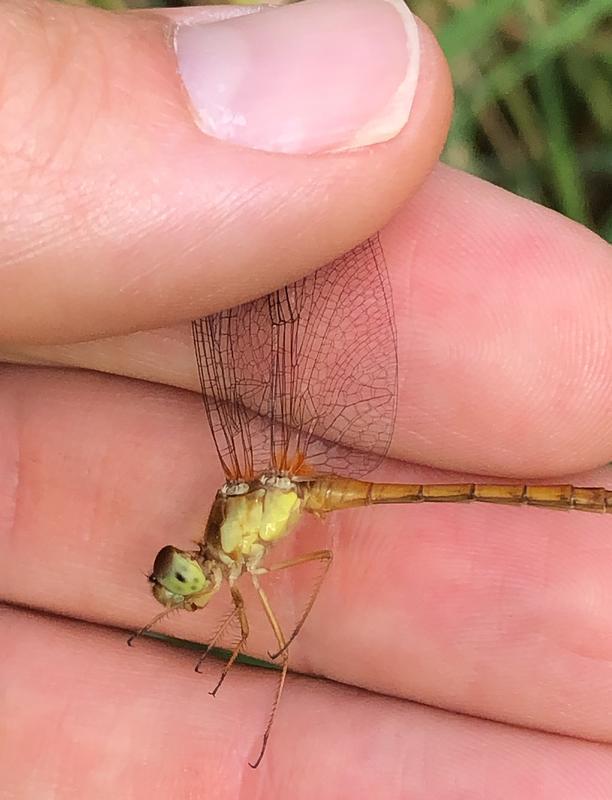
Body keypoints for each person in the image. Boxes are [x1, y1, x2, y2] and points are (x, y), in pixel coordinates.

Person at [1, 0, 611, 793]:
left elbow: (276, 591)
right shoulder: (236, 548)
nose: (184, 580)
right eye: (179, 580)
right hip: (296, 493)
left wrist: (270, 656)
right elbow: (294, 573)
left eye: (177, 578)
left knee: (280, 628)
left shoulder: (237, 545)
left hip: (298, 486)